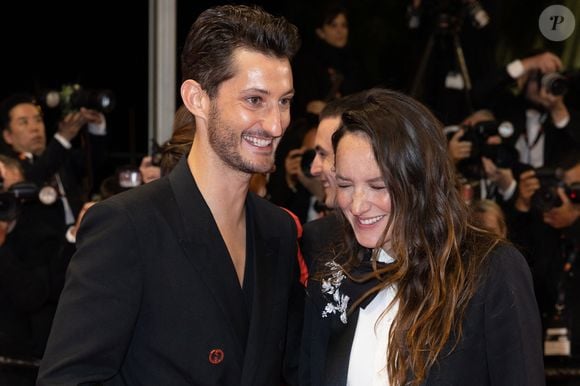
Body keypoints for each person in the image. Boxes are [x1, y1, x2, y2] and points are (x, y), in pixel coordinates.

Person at [37, 5, 303, 386]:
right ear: (197, 99)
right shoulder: (127, 227)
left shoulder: (277, 230)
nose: (276, 124)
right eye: (255, 100)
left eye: (285, 101)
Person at [300, 88, 544, 385]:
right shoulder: (334, 267)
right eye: (346, 184)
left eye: (378, 186)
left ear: (420, 181)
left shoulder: (490, 270)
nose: (358, 204)